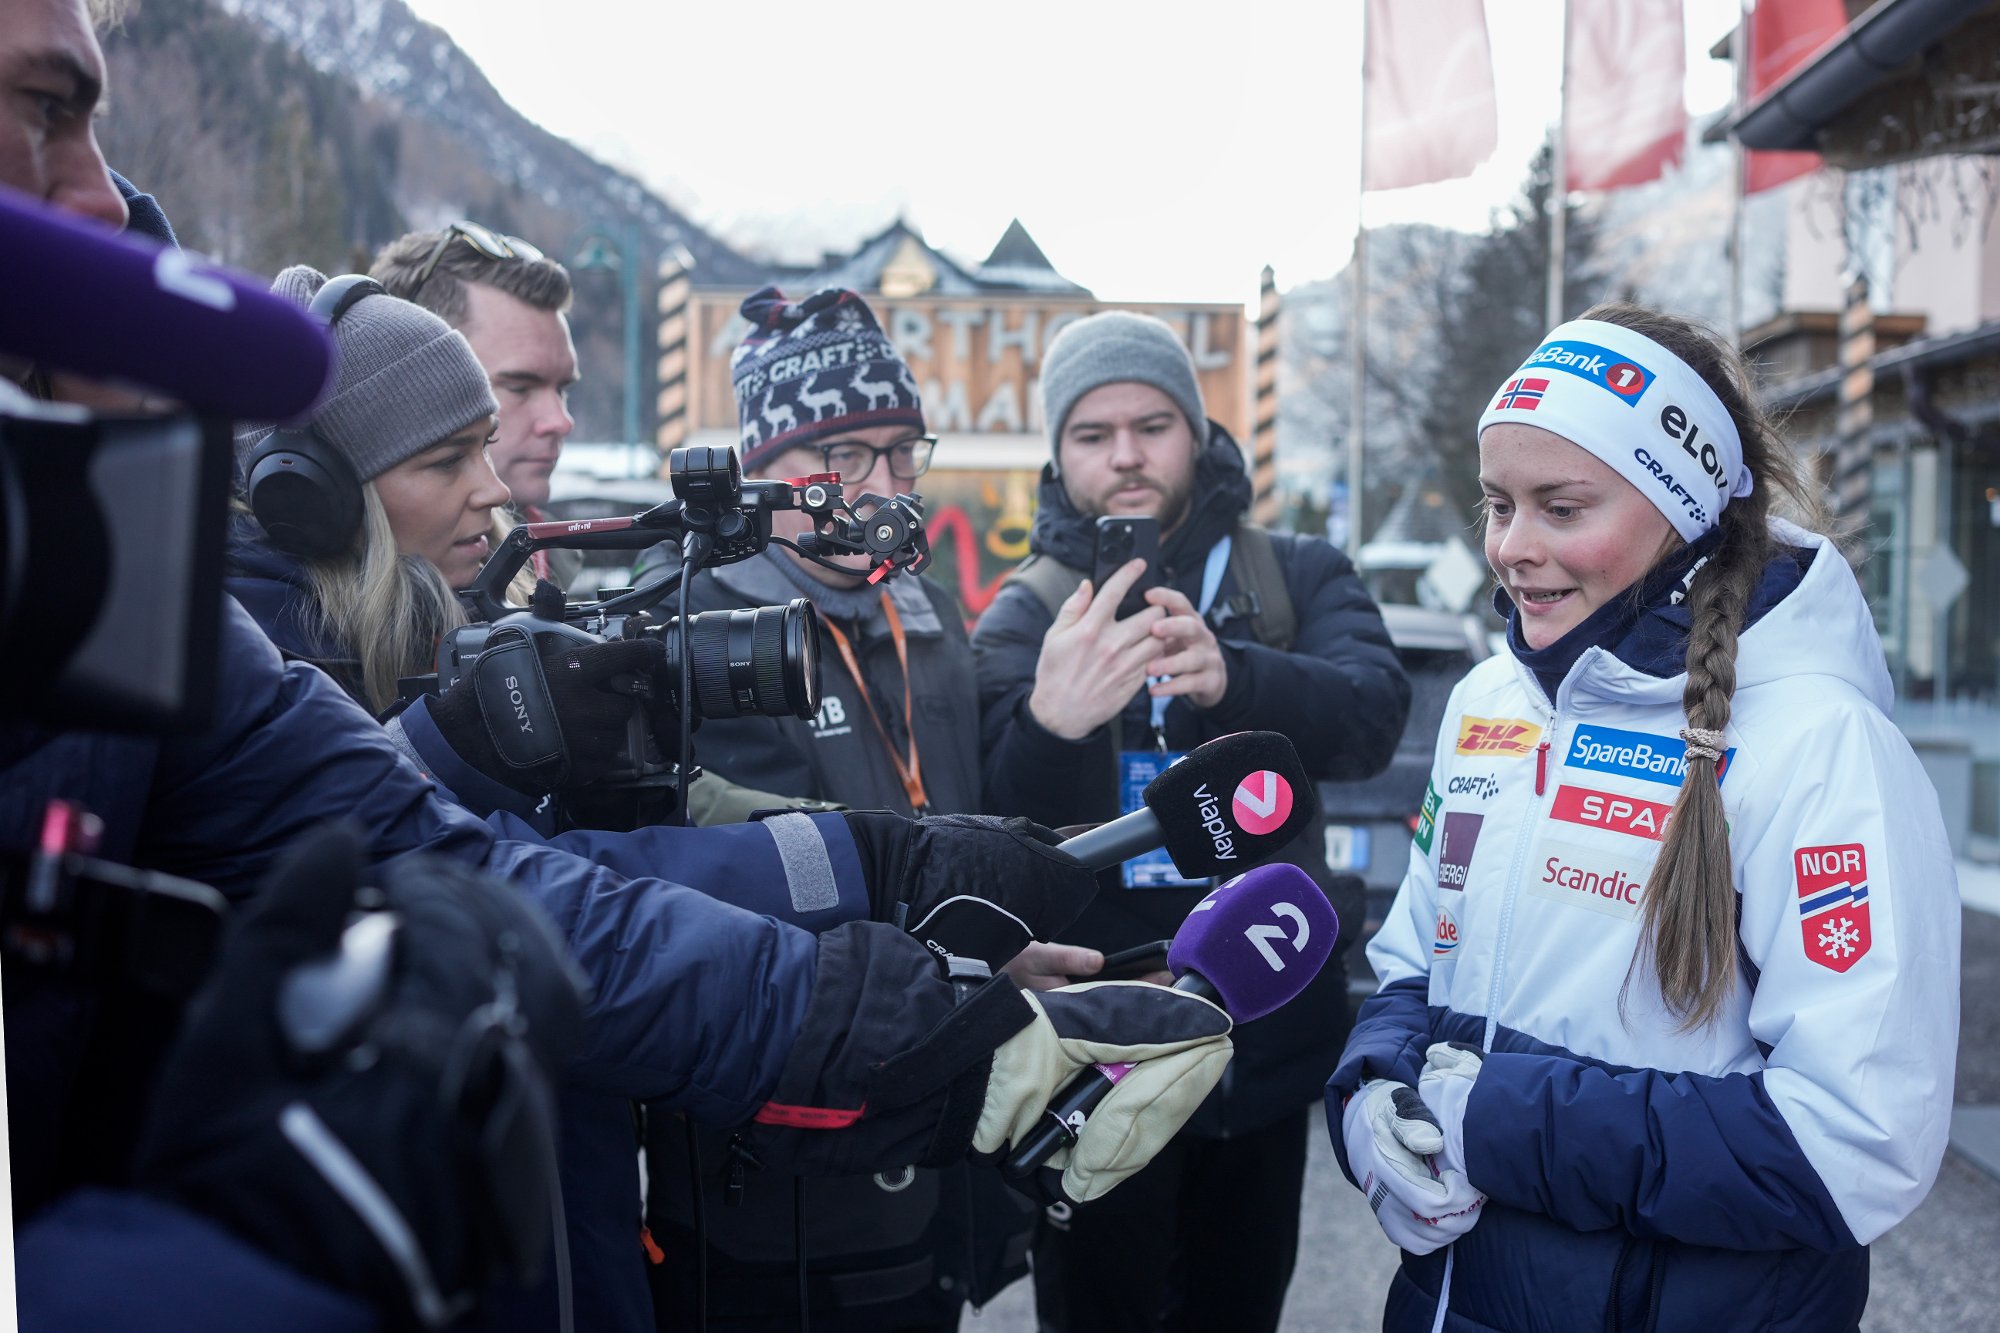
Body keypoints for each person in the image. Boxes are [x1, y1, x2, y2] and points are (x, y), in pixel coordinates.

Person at [0, 7, 1238, 1325]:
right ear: (316, 493)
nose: (107, 195)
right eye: (42, 111)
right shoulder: (194, 614)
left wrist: (911, 938)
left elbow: (499, 875)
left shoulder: (157, 619)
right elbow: (494, 876)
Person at [1329, 303, 1960, 1332]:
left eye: (1561, 507)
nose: (1512, 548)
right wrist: (1367, 1097)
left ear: (1683, 512)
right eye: (1496, 504)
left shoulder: (1819, 744)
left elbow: (1859, 1139)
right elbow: (1412, 961)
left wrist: (1495, 1122)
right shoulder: (1491, 702)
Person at [634, 286, 1089, 1330]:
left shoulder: (924, 607)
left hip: (939, 1129)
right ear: (767, 470)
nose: (879, 486)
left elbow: (973, 802)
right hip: (776, 1160)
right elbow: (693, 875)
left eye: (899, 452)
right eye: (840, 460)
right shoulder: (687, 619)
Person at [970, 309, 1410, 1333]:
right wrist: (1051, 722)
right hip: (1096, 1046)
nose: (1124, 455)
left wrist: (1236, 677)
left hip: (1261, 1042)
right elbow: (980, 816)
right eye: (1091, 433)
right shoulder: (1026, 610)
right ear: (1057, 453)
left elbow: (1372, 718)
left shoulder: (1291, 572)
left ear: (1197, 434)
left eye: (1151, 423)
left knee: (1236, 1310)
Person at [370, 221, 585, 591]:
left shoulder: (555, 560)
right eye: (519, 386)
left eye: (562, 389)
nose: (560, 421)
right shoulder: (291, 623)